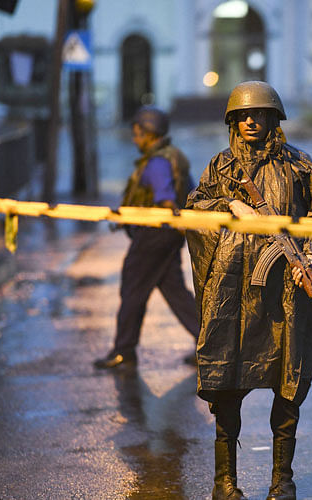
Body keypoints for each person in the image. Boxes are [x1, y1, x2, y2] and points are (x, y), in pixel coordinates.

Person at [185, 81, 312, 500]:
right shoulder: (220, 168)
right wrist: (228, 207)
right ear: (232, 121)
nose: (251, 121)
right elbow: (192, 210)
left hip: (287, 296)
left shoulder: (301, 167)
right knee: (226, 385)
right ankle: (225, 482)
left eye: (259, 114)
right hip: (231, 293)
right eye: (243, 115)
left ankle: (283, 479)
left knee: (287, 382)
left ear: (274, 118)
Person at [93, 106, 200, 369]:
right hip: (168, 236)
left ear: (149, 133)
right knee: (175, 291)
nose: (134, 139)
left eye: (137, 133)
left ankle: (124, 350)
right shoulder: (174, 156)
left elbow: (165, 199)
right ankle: (210, 347)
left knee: (132, 288)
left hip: (154, 236)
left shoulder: (157, 163)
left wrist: (166, 220)